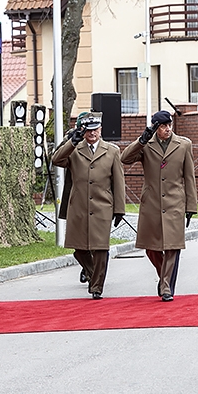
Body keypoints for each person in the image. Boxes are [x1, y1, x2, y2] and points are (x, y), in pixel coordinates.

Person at [121, 110, 198, 302]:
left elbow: (189, 176)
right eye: (163, 126)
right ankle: (165, 276)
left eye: (169, 125)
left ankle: (166, 286)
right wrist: (142, 140)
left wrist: (191, 206)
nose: (167, 129)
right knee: (151, 248)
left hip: (175, 203)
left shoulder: (183, 145)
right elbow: (125, 158)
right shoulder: (146, 145)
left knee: (172, 246)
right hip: (152, 203)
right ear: (156, 127)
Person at [51, 112, 126, 299]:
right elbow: (56, 160)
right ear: (83, 131)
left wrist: (119, 209)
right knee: (80, 249)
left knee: (101, 248)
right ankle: (93, 275)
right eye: (88, 130)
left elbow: (118, 181)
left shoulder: (112, 150)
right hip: (79, 206)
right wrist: (71, 142)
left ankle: (97, 287)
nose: (92, 133)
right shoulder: (75, 149)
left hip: (103, 205)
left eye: (95, 129)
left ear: (101, 130)